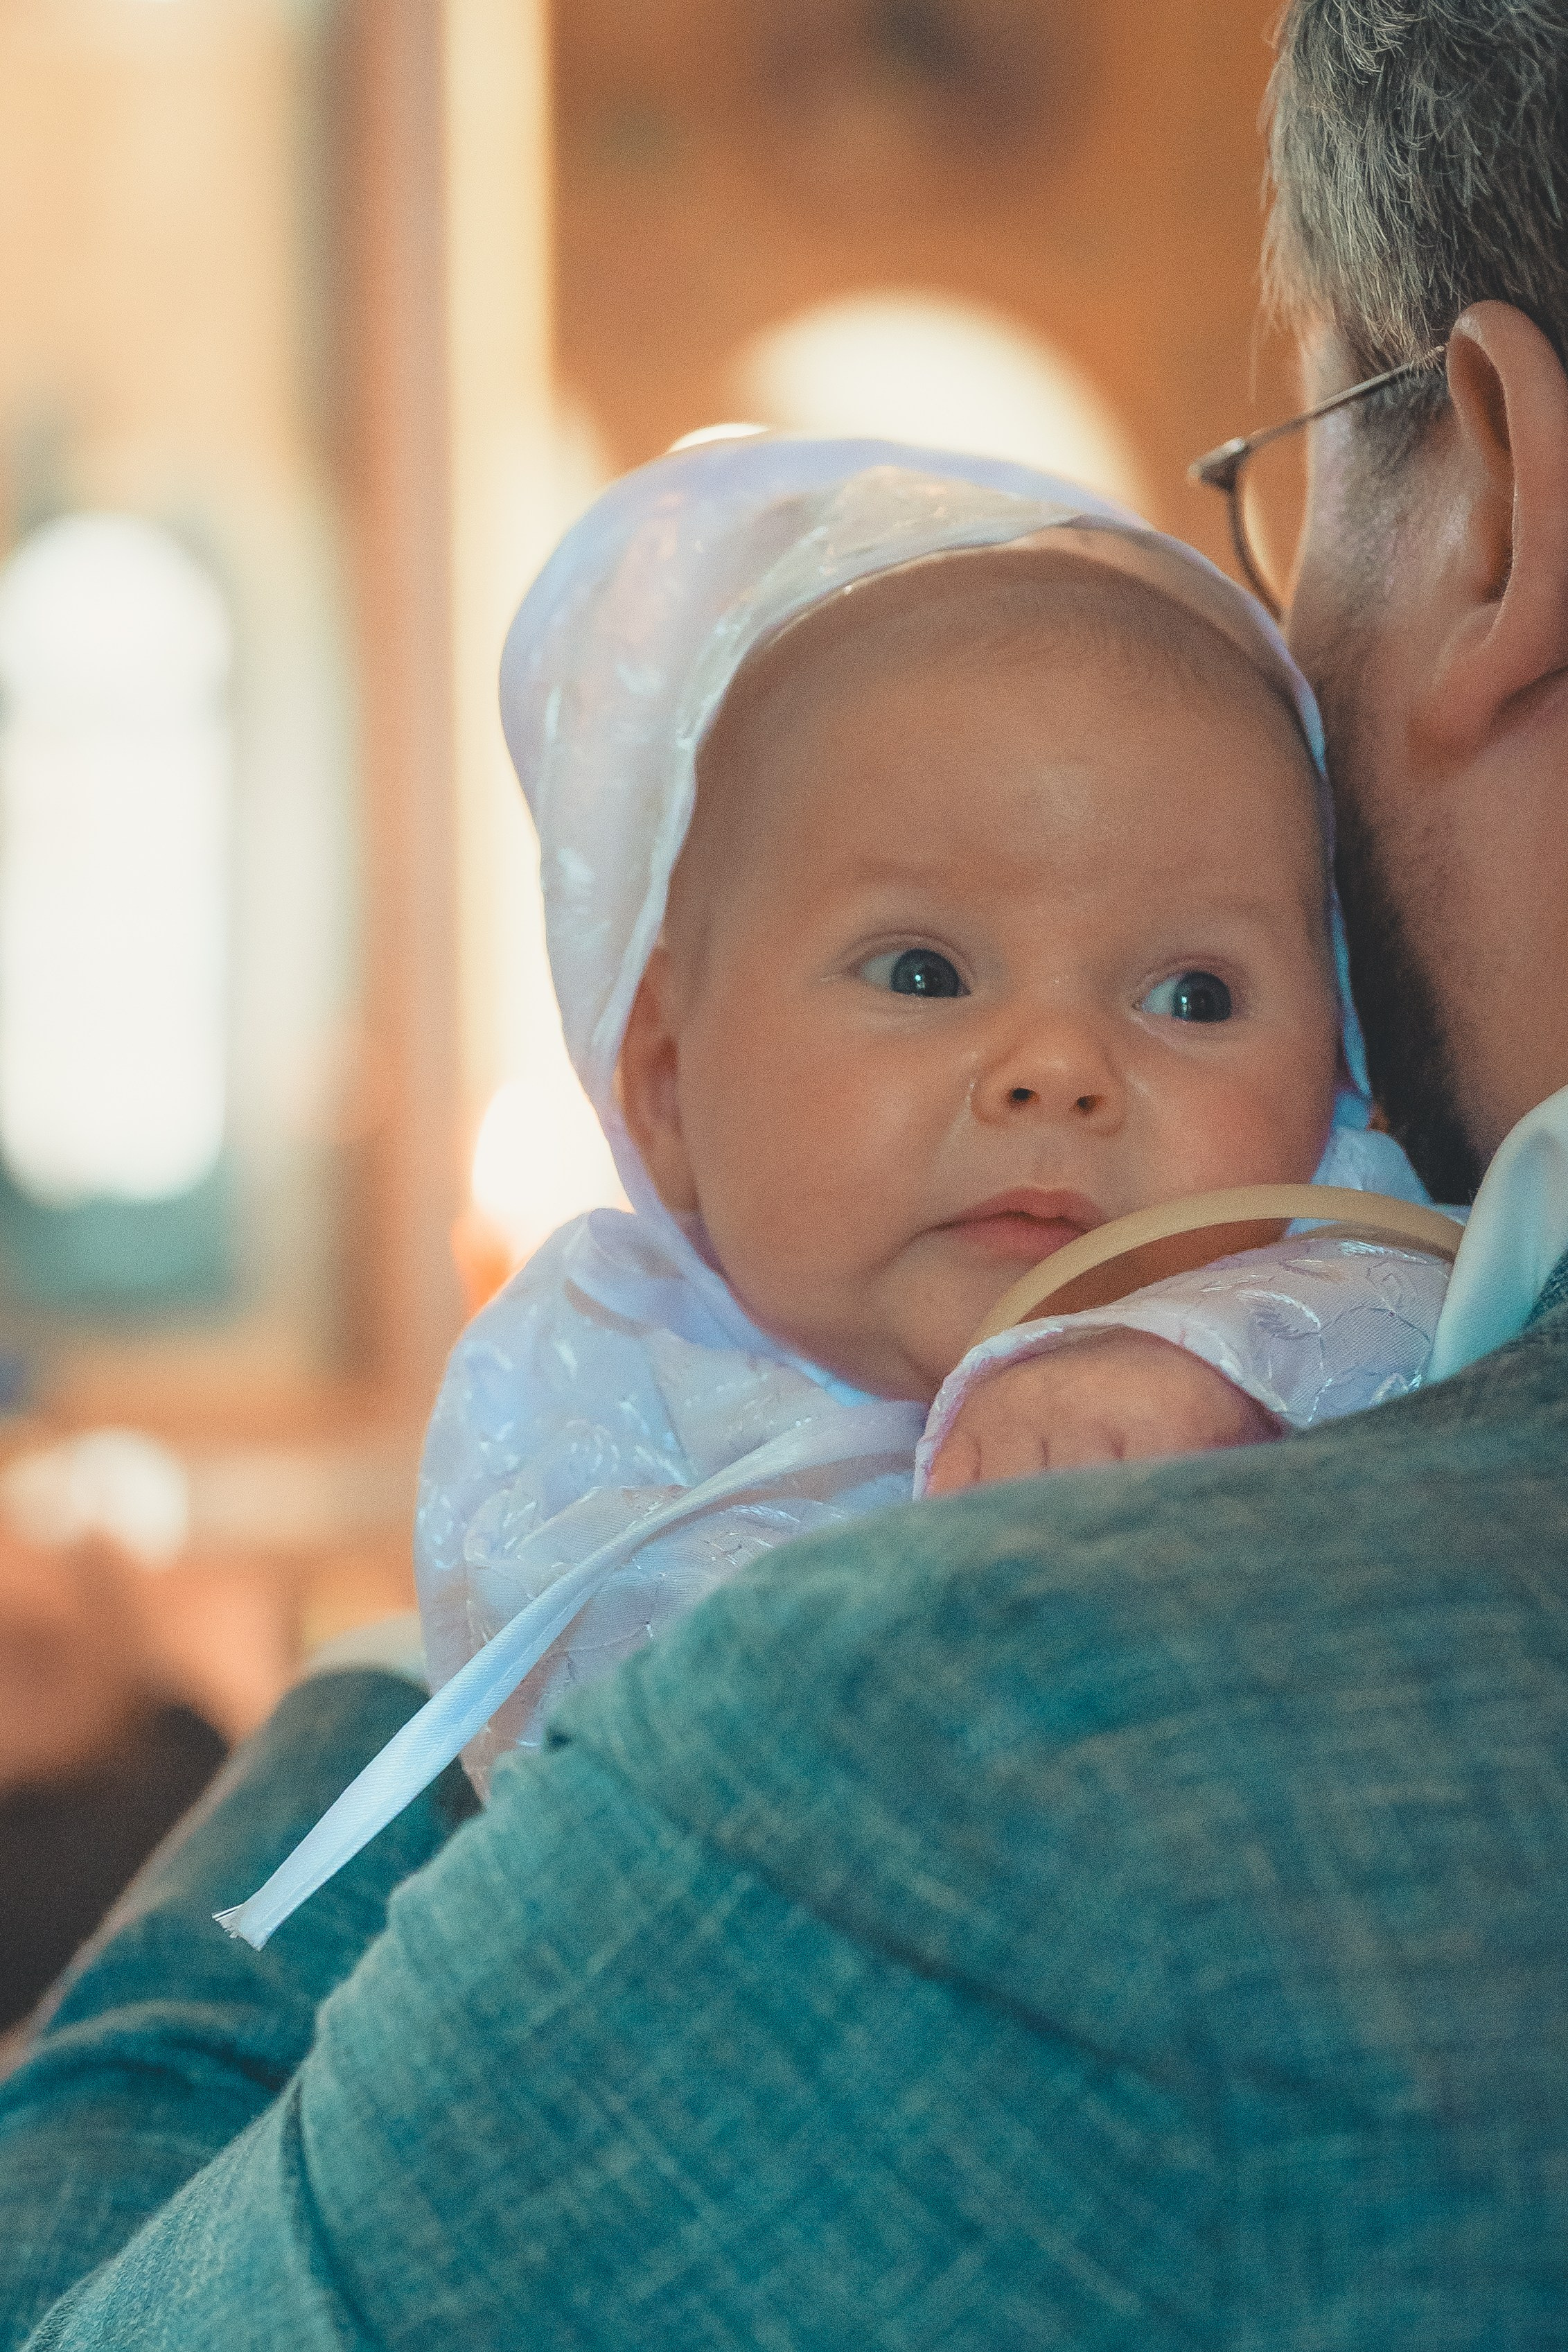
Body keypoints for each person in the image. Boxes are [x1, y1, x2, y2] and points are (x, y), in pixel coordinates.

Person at [6, 1, 1568, 2340]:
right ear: (658, 1082)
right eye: (923, 964)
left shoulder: (929, 1743)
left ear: (1496, 491)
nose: (1054, 1074)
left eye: (1197, 991)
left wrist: (372, 1688)